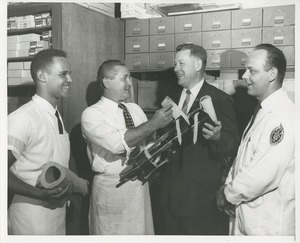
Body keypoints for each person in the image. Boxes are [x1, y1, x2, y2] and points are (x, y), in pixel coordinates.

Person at [81, 60, 173, 235]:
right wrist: (154, 123)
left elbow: (149, 142)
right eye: (124, 78)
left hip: (140, 183)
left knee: (141, 232)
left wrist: (164, 142)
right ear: (107, 82)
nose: (130, 84)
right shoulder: (92, 114)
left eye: (130, 77)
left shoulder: (134, 108)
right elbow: (118, 145)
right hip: (113, 187)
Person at [158, 43, 240, 235]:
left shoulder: (219, 99)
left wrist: (218, 138)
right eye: (175, 63)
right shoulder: (172, 98)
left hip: (200, 201)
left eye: (181, 63)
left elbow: (234, 144)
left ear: (197, 65)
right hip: (169, 197)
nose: (176, 69)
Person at [216, 43, 295, 235]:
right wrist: (228, 185)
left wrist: (227, 194)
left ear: (272, 74)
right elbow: (243, 159)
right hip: (248, 219)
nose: (244, 76)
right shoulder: (262, 110)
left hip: (267, 226)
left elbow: (261, 173)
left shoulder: (282, 116)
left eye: (251, 70)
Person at [8, 49, 74, 234]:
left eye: (70, 74)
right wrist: (39, 193)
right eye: (63, 74)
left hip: (56, 215)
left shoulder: (55, 114)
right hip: (30, 218)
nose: (70, 80)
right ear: (42, 76)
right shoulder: (23, 118)